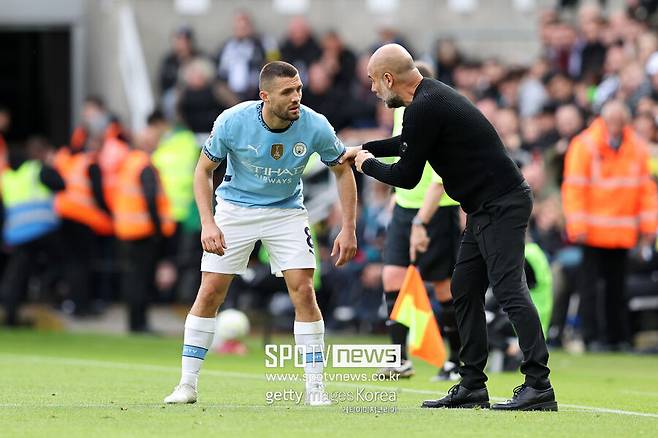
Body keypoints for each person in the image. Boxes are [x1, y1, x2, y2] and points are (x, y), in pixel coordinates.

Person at [343, 44, 557, 411]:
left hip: (500, 204)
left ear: (389, 78)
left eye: (374, 82)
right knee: (463, 288)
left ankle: (539, 385)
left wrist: (364, 165)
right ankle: (472, 384)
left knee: (509, 289)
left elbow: (407, 176)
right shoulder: (428, 99)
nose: (374, 91)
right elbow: (405, 145)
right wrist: (363, 148)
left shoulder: (425, 105)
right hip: (486, 205)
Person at [164, 61, 357, 406]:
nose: (297, 97)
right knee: (210, 293)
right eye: (288, 92)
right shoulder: (232, 121)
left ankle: (315, 390)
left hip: (286, 211)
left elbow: (343, 170)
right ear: (265, 96)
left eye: (299, 89)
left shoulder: (315, 125)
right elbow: (203, 170)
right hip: (236, 210)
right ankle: (186, 385)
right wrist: (208, 223)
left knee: (303, 290)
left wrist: (348, 227)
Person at [375, 61, 462, 382]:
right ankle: (399, 359)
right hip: (405, 206)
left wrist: (421, 222)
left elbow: (439, 180)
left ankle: (455, 360)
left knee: (442, 285)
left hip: (436, 209)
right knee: (392, 279)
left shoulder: (436, 113)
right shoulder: (402, 110)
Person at [562, 100, 658, 351]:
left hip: (621, 232)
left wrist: (648, 229)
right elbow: (574, 187)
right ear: (604, 119)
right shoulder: (584, 145)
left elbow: (646, 192)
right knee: (590, 288)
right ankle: (592, 336)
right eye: (612, 120)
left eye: (620, 120)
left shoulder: (636, 148)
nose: (616, 125)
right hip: (592, 231)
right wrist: (577, 224)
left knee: (617, 287)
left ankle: (617, 337)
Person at [114, 127, 176, 332]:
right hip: (143, 231)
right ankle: (140, 323)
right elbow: (150, 198)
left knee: (132, 278)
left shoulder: (129, 164)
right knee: (141, 279)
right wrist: (158, 230)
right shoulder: (144, 166)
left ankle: (134, 322)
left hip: (126, 230)